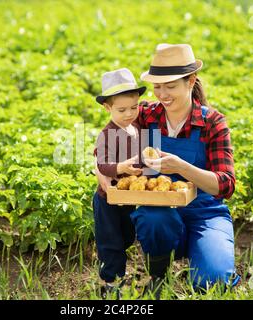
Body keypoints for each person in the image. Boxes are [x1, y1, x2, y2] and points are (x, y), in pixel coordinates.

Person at [95, 44, 241, 298]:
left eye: (170, 86)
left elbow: (225, 185)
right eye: (157, 86)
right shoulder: (148, 115)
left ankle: (201, 256)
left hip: (205, 213)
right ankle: (159, 275)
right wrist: (103, 174)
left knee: (213, 283)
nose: (162, 94)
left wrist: (181, 167)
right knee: (154, 217)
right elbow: (107, 145)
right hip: (161, 210)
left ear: (190, 81)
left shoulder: (212, 123)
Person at [92, 68, 146, 299]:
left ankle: (120, 271)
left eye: (133, 108)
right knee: (110, 240)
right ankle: (110, 281)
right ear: (108, 108)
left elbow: (143, 156)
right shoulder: (107, 134)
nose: (129, 114)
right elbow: (102, 165)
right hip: (108, 199)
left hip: (129, 198)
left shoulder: (137, 129)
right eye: (121, 110)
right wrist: (121, 168)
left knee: (126, 236)